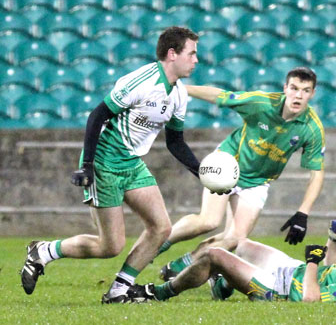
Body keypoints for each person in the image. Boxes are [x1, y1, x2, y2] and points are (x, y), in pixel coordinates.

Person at [20, 26, 202, 304]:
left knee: (161, 228)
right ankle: (44, 251)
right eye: (192, 53)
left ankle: (118, 291)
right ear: (172, 53)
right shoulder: (142, 81)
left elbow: (175, 142)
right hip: (105, 161)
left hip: (131, 163)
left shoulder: (179, 94)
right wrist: (88, 165)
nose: (196, 60)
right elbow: (97, 115)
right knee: (110, 245)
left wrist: (202, 173)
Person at [157, 67, 326, 281]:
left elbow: (317, 174)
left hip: (258, 181)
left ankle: (182, 264)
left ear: (312, 94)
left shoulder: (312, 128)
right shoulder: (261, 103)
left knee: (235, 239)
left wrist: (303, 213)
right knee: (208, 221)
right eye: (294, 88)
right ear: (285, 88)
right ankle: (157, 241)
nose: (298, 95)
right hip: (228, 163)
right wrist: (182, 88)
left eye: (305, 90)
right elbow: (221, 96)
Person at [124, 220, 336, 303]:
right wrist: (333, 242)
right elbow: (332, 267)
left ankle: (155, 293)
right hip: (292, 269)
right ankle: (223, 283)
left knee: (215, 255)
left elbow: (311, 300)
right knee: (242, 244)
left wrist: (313, 264)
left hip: (279, 289)